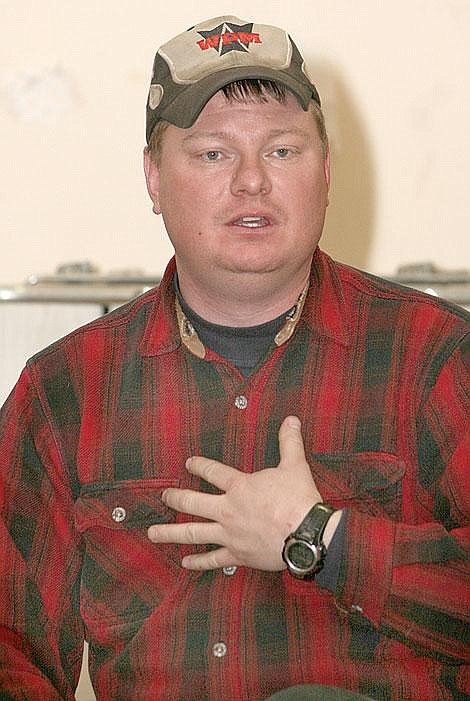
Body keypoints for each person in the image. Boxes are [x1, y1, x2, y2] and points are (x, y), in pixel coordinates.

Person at [0, 14, 468, 701]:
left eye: (282, 150)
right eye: (213, 153)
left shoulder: (437, 357)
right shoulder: (64, 391)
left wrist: (328, 540)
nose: (252, 181)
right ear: (154, 178)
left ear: (327, 171)